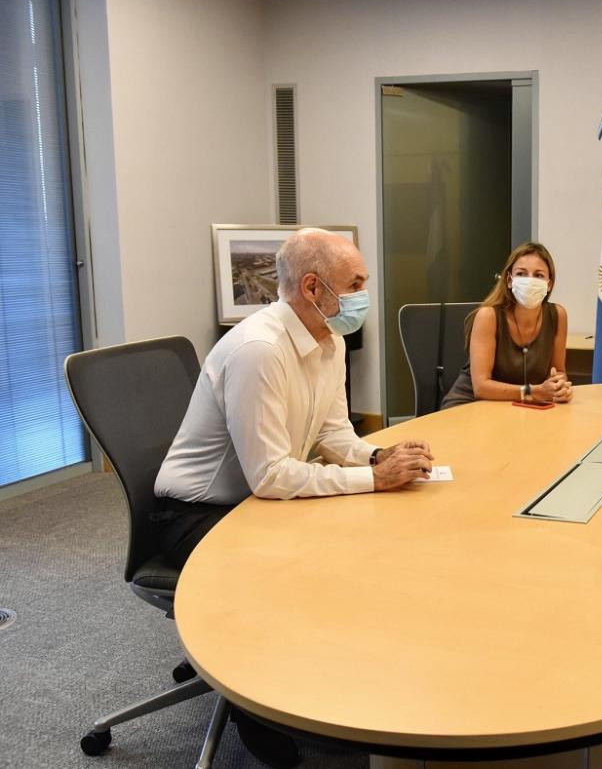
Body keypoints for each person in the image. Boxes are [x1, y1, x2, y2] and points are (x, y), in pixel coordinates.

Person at [154, 227, 432, 768]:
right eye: (355, 283)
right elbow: (272, 477)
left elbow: (334, 436)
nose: (363, 294)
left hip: (254, 502)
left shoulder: (329, 340)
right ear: (312, 287)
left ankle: (325, 681)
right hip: (198, 513)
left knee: (359, 538)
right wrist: (373, 480)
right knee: (295, 570)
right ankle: (254, 703)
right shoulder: (260, 350)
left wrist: (377, 458)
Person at [441, 241, 572, 408]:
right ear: (509, 280)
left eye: (538, 275)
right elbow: (481, 387)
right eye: (521, 274)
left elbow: (559, 370)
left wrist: (559, 386)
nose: (529, 281)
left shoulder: (558, 315)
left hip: (519, 407)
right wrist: (532, 392)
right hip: (471, 405)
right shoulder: (488, 316)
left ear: (549, 284)